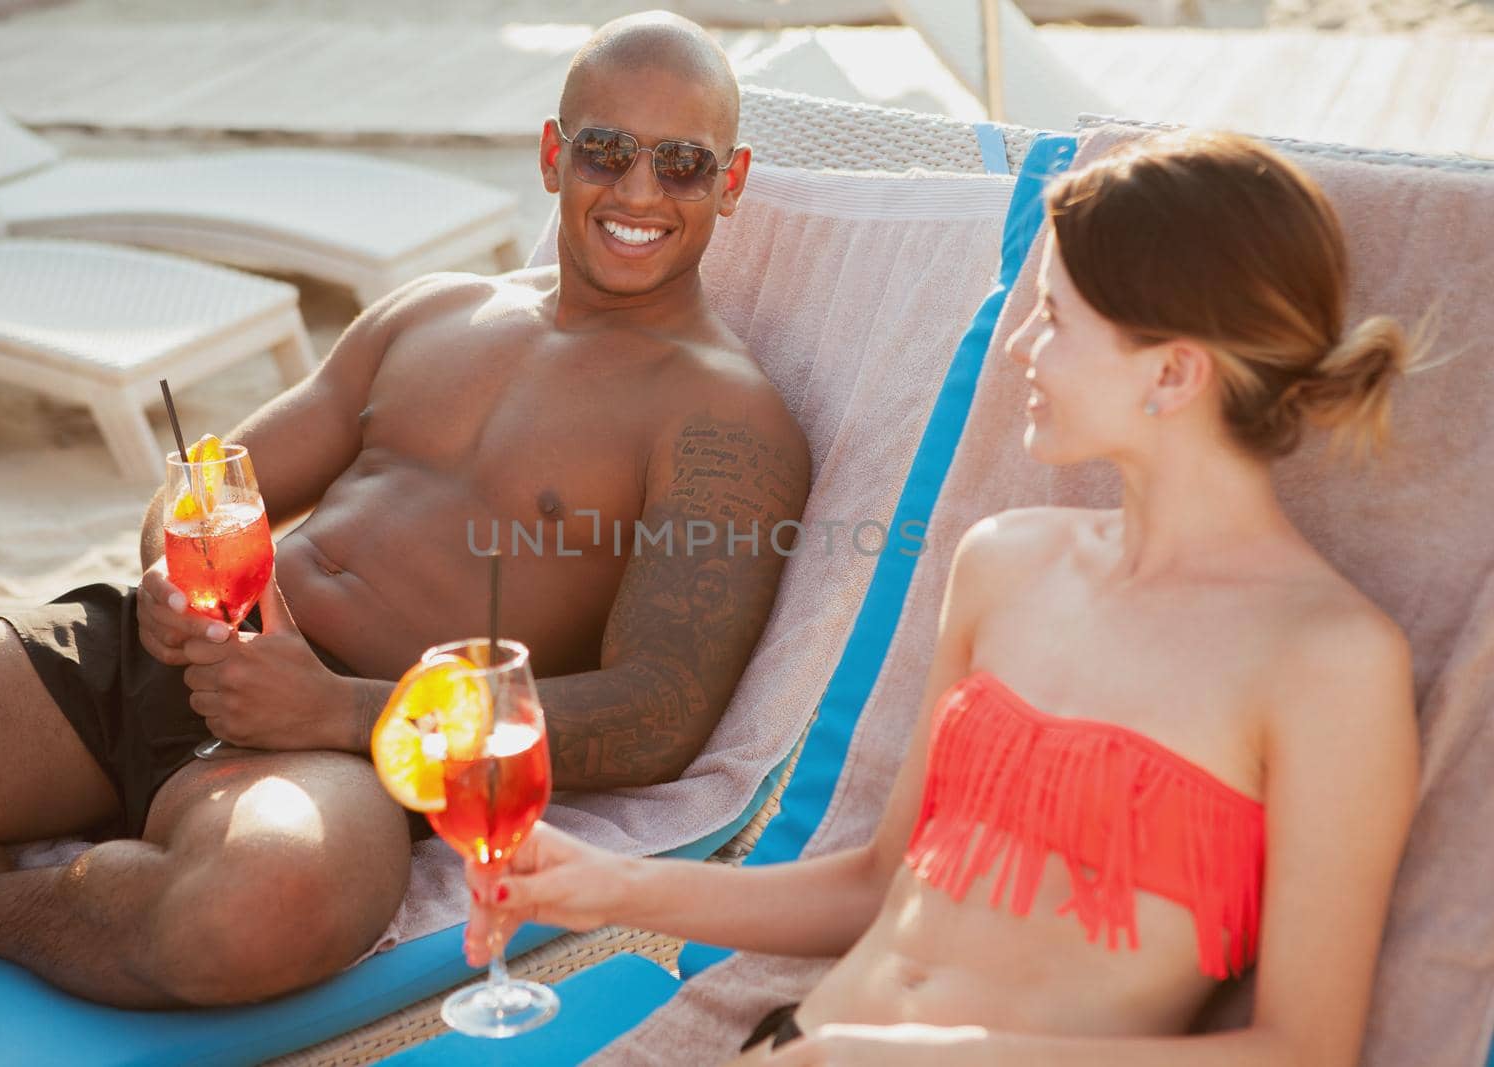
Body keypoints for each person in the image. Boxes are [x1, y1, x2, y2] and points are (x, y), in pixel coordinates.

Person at [0, 11, 809, 1009]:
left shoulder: (725, 420)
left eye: (681, 162)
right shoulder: (432, 311)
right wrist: (170, 571)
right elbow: (213, 476)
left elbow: (661, 711)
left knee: (255, 912)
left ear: (730, 181)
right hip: (172, 648)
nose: (639, 191)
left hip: (344, 743)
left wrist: (335, 707)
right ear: (554, 156)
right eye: (605, 149)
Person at [467, 130, 1420, 1066]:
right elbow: (881, 882)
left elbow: (1305, 1046)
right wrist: (607, 885)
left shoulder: (1329, 660)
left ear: (1171, 371)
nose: (1021, 348)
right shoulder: (1005, 561)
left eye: (1055, 317)